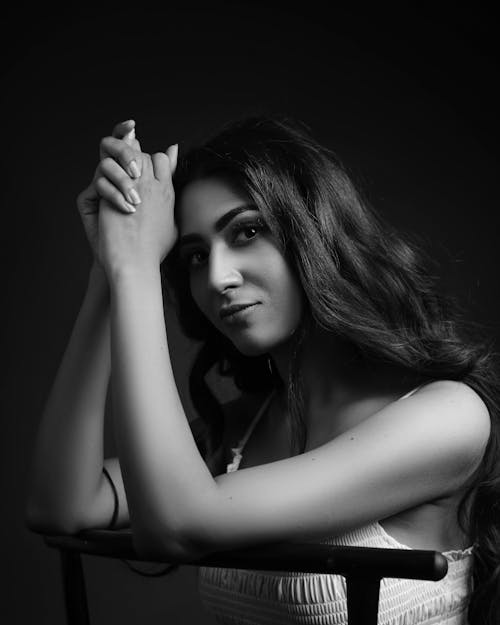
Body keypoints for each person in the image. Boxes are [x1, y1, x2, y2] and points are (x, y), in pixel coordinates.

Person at [26, 114, 500, 624]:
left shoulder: (449, 416)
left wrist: (136, 266)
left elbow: (178, 525)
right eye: (192, 256)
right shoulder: (242, 430)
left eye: (247, 231)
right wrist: (108, 268)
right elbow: (64, 505)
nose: (217, 277)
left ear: (314, 234)